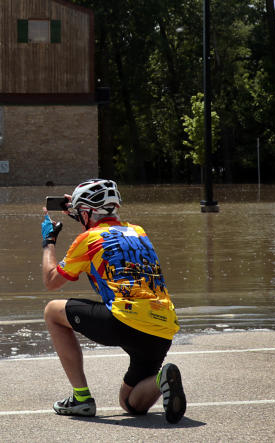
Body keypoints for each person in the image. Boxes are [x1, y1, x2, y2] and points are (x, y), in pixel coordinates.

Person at [39, 178, 186, 423]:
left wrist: (49, 242)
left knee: (52, 311)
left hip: (125, 320)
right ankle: (162, 379)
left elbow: (51, 281)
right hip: (163, 328)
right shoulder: (138, 232)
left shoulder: (88, 240)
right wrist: (80, 213)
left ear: (85, 212)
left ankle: (81, 398)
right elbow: (108, 234)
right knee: (131, 403)